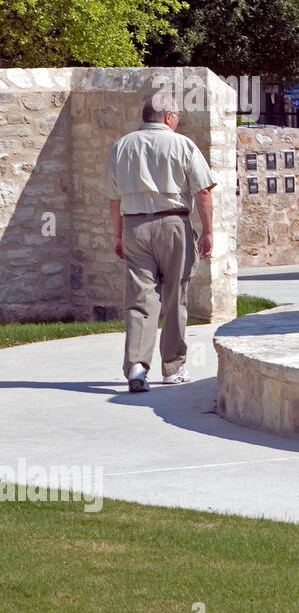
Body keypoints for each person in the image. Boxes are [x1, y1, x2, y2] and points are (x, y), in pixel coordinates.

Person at [103, 93, 216, 392]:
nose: (178, 119)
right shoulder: (183, 145)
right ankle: (173, 367)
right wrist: (207, 231)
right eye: (177, 114)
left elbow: (113, 198)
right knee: (176, 295)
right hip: (174, 223)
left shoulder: (122, 146)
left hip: (135, 226)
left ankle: (137, 367)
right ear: (168, 117)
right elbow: (202, 192)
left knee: (140, 300)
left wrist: (117, 234)